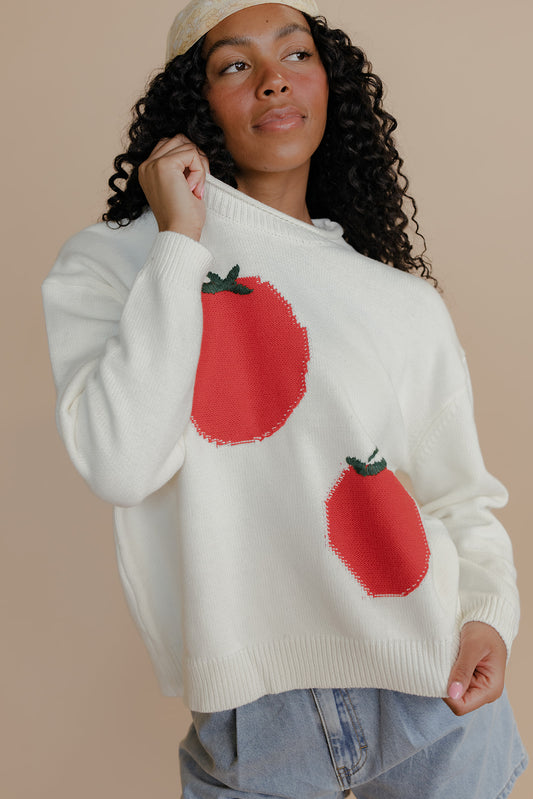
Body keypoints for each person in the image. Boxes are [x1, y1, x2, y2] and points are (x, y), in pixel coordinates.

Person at [42, 1, 527, 796]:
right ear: (192, 104)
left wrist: (487, 616)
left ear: (330, 82)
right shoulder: (120, 261)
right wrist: (177, 241)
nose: (273, 82)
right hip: (254, 725)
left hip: (432, 694)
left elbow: (460, 499)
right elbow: (121, 461)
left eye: (295, 55)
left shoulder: (398, 299)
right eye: (235, 65)